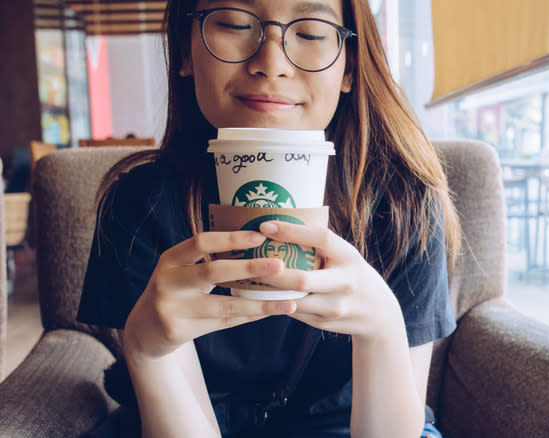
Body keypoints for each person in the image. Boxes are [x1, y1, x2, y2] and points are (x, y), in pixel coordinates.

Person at [76, 0, 461, 437]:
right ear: (185, 51)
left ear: (350, 68)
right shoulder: (136, 203)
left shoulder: (404, 204)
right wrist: (148, 353)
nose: (271, 63)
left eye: (312, 32)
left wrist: (383, 329)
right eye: (235, 24)